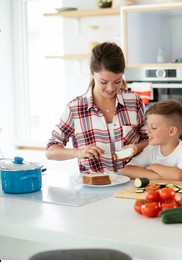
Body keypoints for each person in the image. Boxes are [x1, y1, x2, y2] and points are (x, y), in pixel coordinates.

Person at [46, 42, 149, 174]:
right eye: (103, 82)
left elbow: (151, 140)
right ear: (92, 73)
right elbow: (50, 151)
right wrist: (78, 152)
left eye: (117, 81)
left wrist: (137, 147)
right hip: (93, 188)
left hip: (132, 185)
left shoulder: (134, 102)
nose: (111, 88)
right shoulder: (75, 109)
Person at [122, 99, 182, 181]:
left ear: (172, 131)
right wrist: (159, 177)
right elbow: (127, 170)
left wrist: (153, 167)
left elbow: (180, 177)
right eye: (148, 126)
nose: (147, 131)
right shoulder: (151, 149)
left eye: (153, 127)